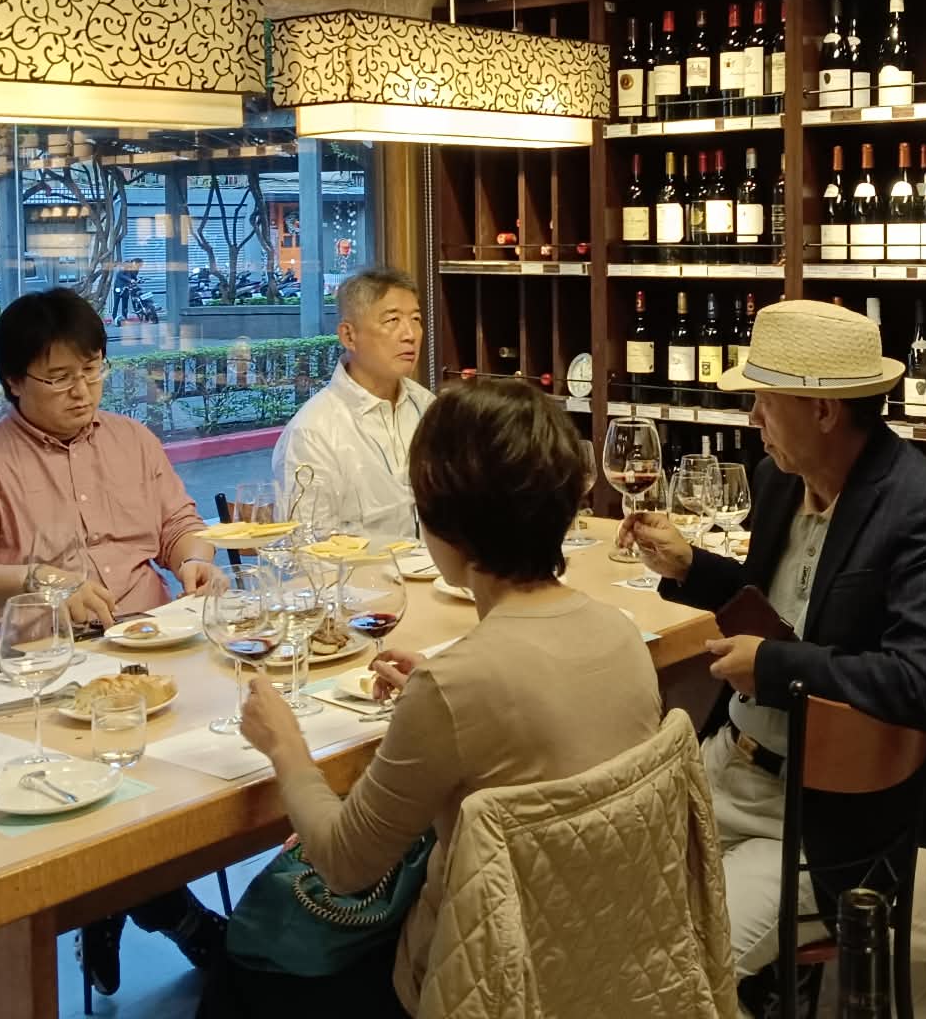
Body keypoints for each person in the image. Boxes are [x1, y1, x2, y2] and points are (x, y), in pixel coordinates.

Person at [233, 378, 660, 1016]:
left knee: (252, 978)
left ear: (444, 524)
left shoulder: (454, 686)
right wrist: (436, 700)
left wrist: (285, 744)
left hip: (485, 978)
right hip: (610, 961)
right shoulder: (621, 634)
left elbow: (346, 863)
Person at [618, 299, 926, 1004]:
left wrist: (774, 668)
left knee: (673, 969)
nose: (752, 417)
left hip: (825, 821)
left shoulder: (922, 507)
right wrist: (692, 567)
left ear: (823, 411)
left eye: (764, 401)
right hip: (729, 765)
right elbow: (782, 611)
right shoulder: (781, 477)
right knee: (606, 908)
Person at [0, 287, 223, 991]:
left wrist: (195, 560)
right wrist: (39, 581)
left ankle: (111, 905)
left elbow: (179, 524)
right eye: (59, 378)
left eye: (92, 370)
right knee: (110, 796)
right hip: (46, 680)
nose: (82, 390)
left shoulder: (132, 441)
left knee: (217, 766)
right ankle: (174, 916)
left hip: (151, 660)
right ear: (13, 382)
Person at [272, 267, 434, 538]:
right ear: (349, 336)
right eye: (392, 320)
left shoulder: (428, 408)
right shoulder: (313, 432)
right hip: (355, 568)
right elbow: (305, 547)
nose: (410, 334)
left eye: (416, 319)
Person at [109, 256, 144, 323]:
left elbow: (134, 277)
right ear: (134, 263)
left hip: (127, 287)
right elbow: (120, 275)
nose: (139, 267)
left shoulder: (136, 269)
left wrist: (138, 279)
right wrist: (130, 280)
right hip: (119, 286)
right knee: (116, 302)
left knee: (125, 303)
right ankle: (114, 317)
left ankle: (125, 317)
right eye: (139, 265)